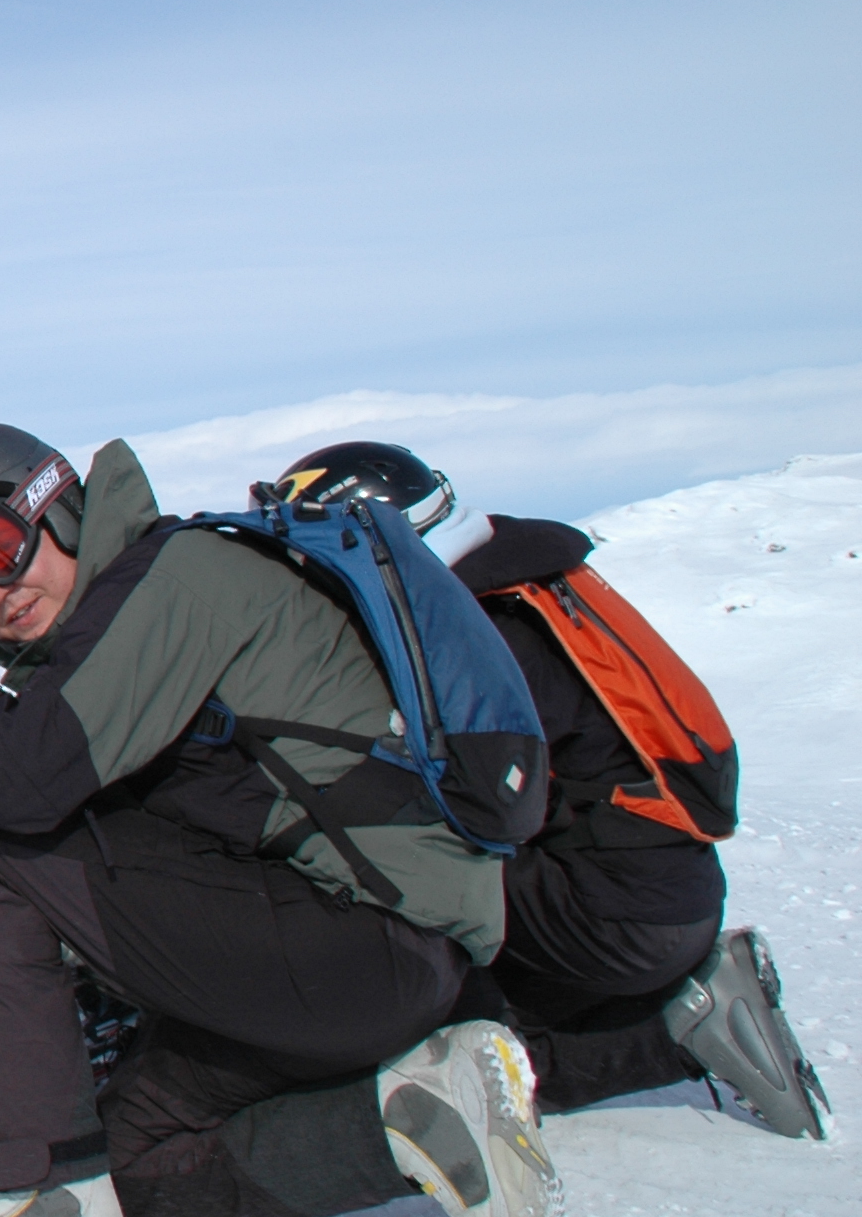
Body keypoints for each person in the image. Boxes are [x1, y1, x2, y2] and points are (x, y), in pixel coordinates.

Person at [0, 425, 563, 1217]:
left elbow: (12, 786)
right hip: (371, 960)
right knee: (133, 1163)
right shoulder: (122, 617)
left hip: (365, 943)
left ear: (59, 505)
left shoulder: (176, 579)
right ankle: (411, 1118)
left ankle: (28, 1201)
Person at [275, 441, 829, 1138]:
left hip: (615, 913)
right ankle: (671, 1012)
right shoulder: (527, 582)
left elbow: (476, 800)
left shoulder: (481, 628)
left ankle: (678, 1029)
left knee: (426, 996)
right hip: (656, 887)